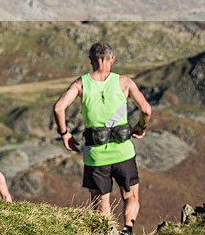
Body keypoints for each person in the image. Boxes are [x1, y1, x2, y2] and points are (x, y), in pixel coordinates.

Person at [53, 42, 152, 234]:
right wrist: (141, 126)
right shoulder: (124, 82)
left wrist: (65, 133)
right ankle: (127, 227)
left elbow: (59, 108)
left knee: (101, 204)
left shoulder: (81, 84)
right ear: (112, 59)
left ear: (91, 60)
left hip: (96, 156)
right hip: (124, 152)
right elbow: (146, 109)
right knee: (131, 196)